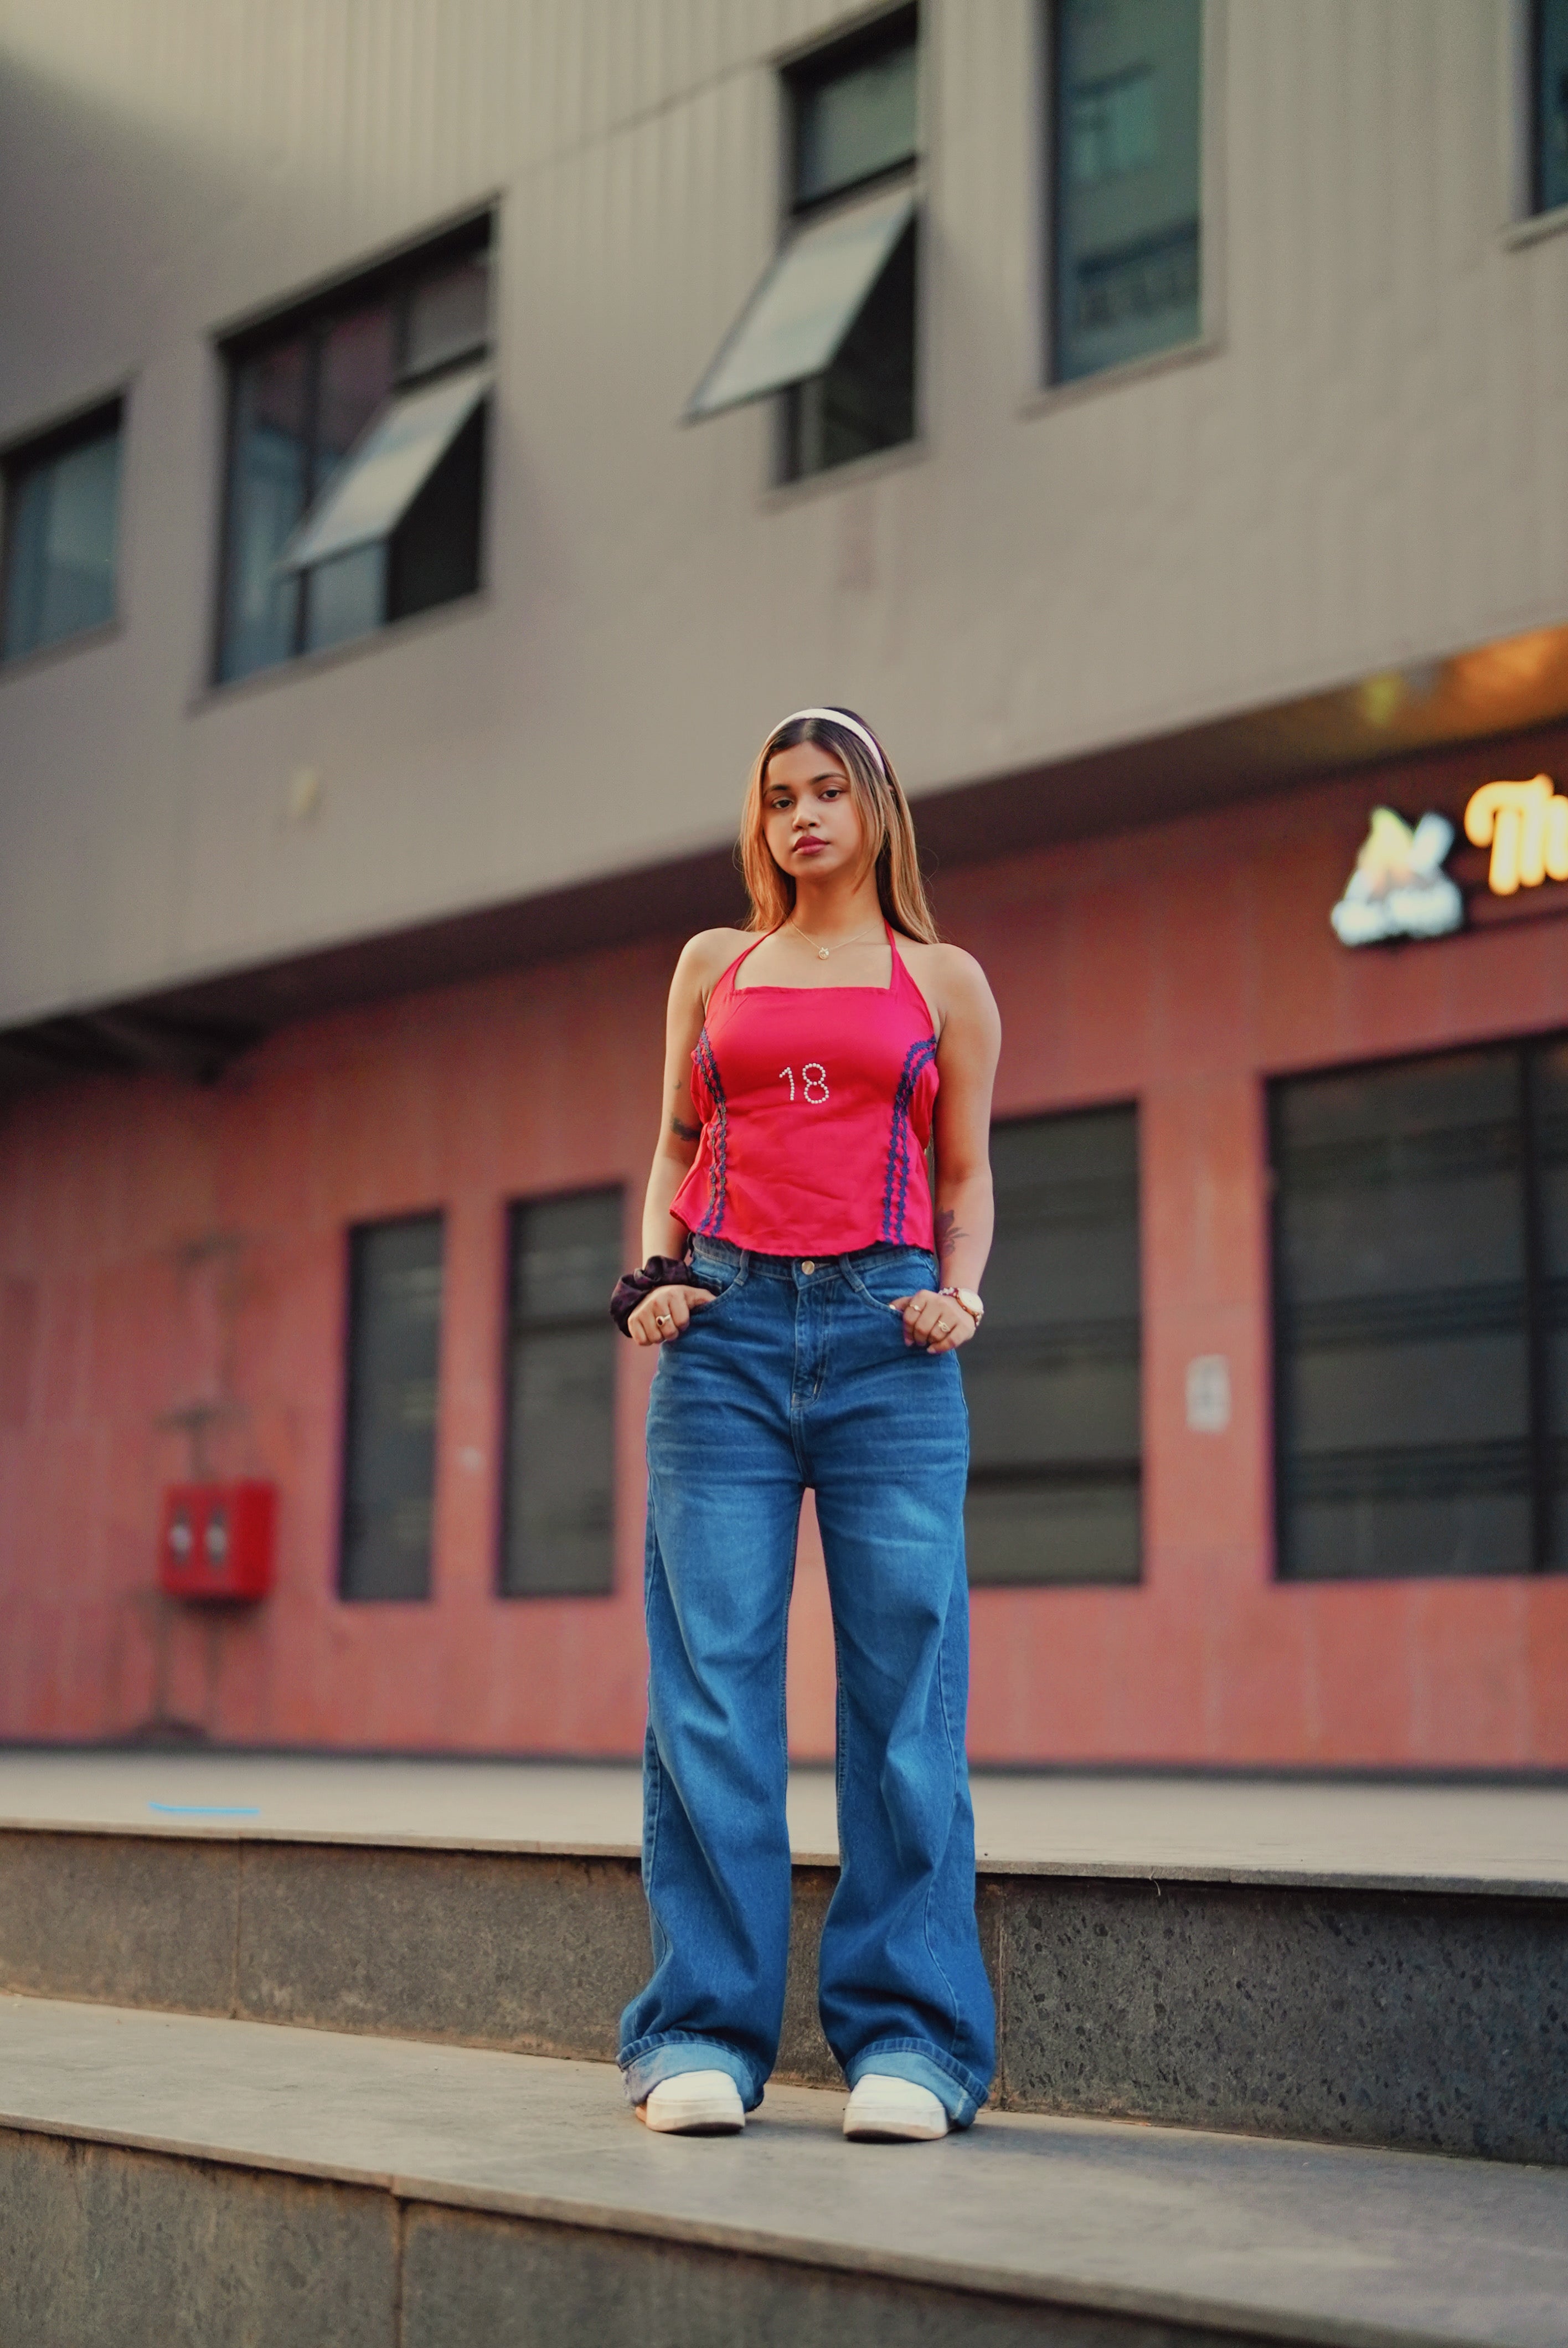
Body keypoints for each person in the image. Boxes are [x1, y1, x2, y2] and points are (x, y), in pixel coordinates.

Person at [611, 707, 1000, 2143]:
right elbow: (672, 1145)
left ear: (878, 808)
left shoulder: (942, 979)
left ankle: (915, 2042)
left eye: (831, 791)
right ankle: (699, 2036)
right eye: (781, 796)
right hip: (719, 1335)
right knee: (711, 1684)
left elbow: (965, 1176)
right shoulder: (715, 967)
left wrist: (962, 1292)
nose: (803, 817)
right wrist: (652, 1280)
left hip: (892, 1339)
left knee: (908, 1687)